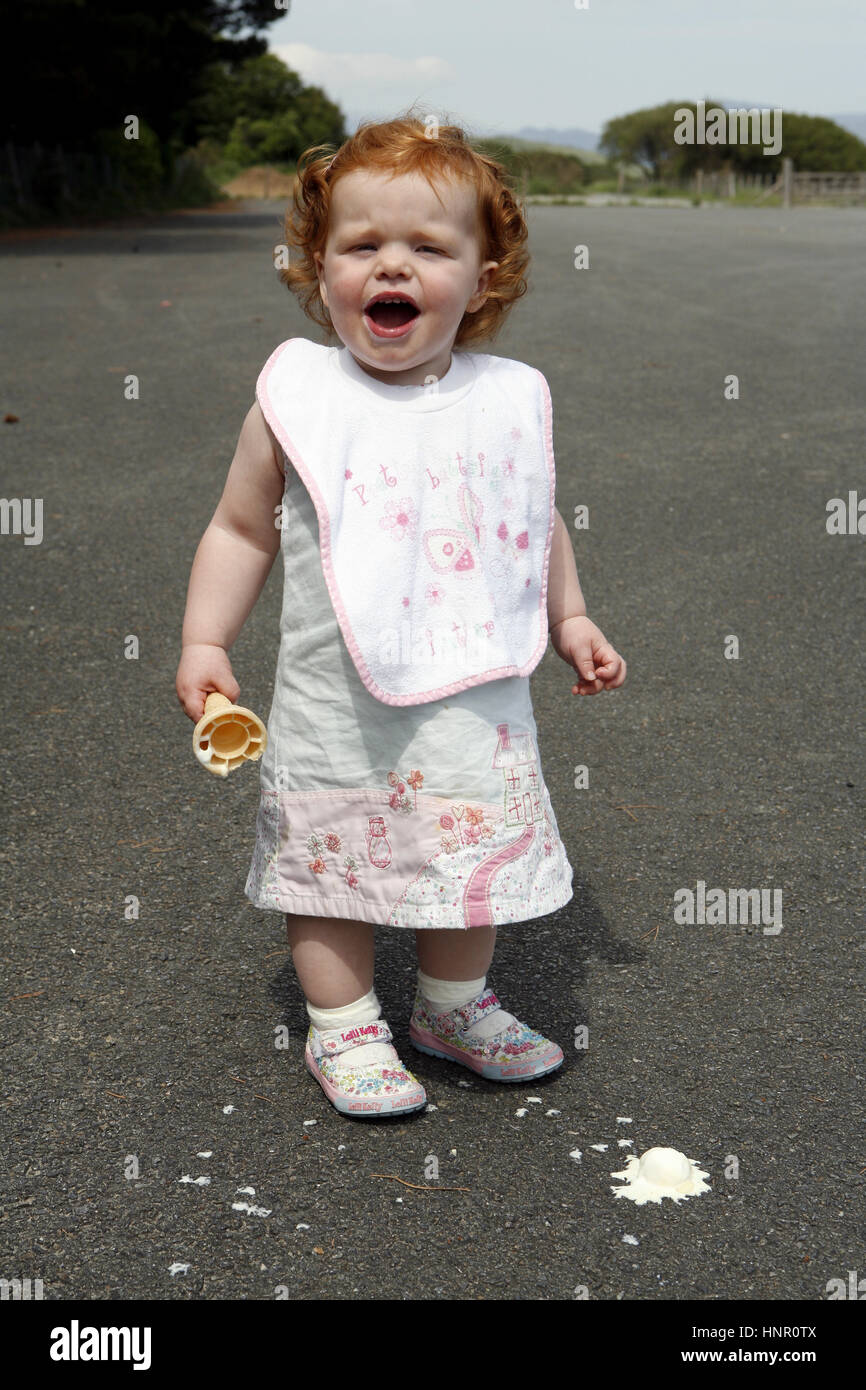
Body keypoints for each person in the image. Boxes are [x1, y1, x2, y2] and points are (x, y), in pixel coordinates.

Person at [175, 112, 626, 1119]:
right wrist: (206, 639)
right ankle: (340, 1028)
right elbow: (240, 530)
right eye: (361, 245)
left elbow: (529, 519)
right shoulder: (298, 398)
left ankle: (450, 1007)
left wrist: (569, 617)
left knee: (463, 857)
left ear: (483, 275)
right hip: (334, 697)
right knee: (329, 867)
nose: (392, 265)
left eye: (427, 246)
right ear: (317, 264)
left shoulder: (504, 400)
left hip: (473, 690)